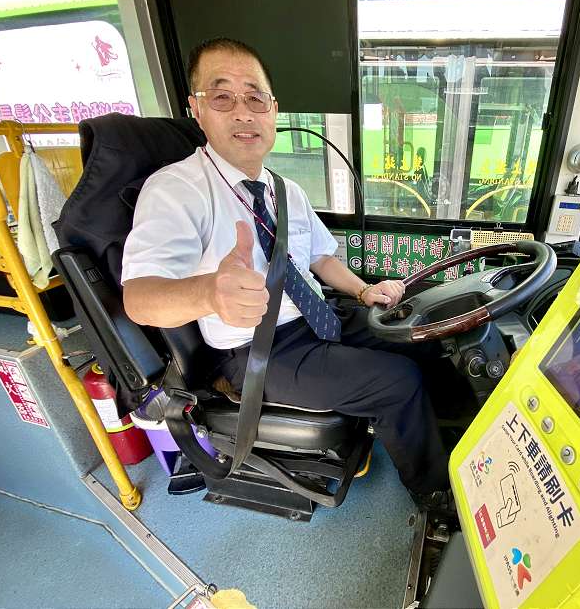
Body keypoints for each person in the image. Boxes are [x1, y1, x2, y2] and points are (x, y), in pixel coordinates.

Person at [121, 37, 449, 508]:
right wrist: (210, 293)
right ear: (196, 109)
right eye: (223, 97)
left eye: (256, 98)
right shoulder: (176, 189)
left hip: (321, 319)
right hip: (258, 350)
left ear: (273, 110)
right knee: (398, 382)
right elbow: (140, 297)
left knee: (423, 333)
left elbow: (319, 258)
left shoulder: (283, 188)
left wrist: (363, 290)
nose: (243, 113)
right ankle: (434, 493)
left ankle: (441, 443)